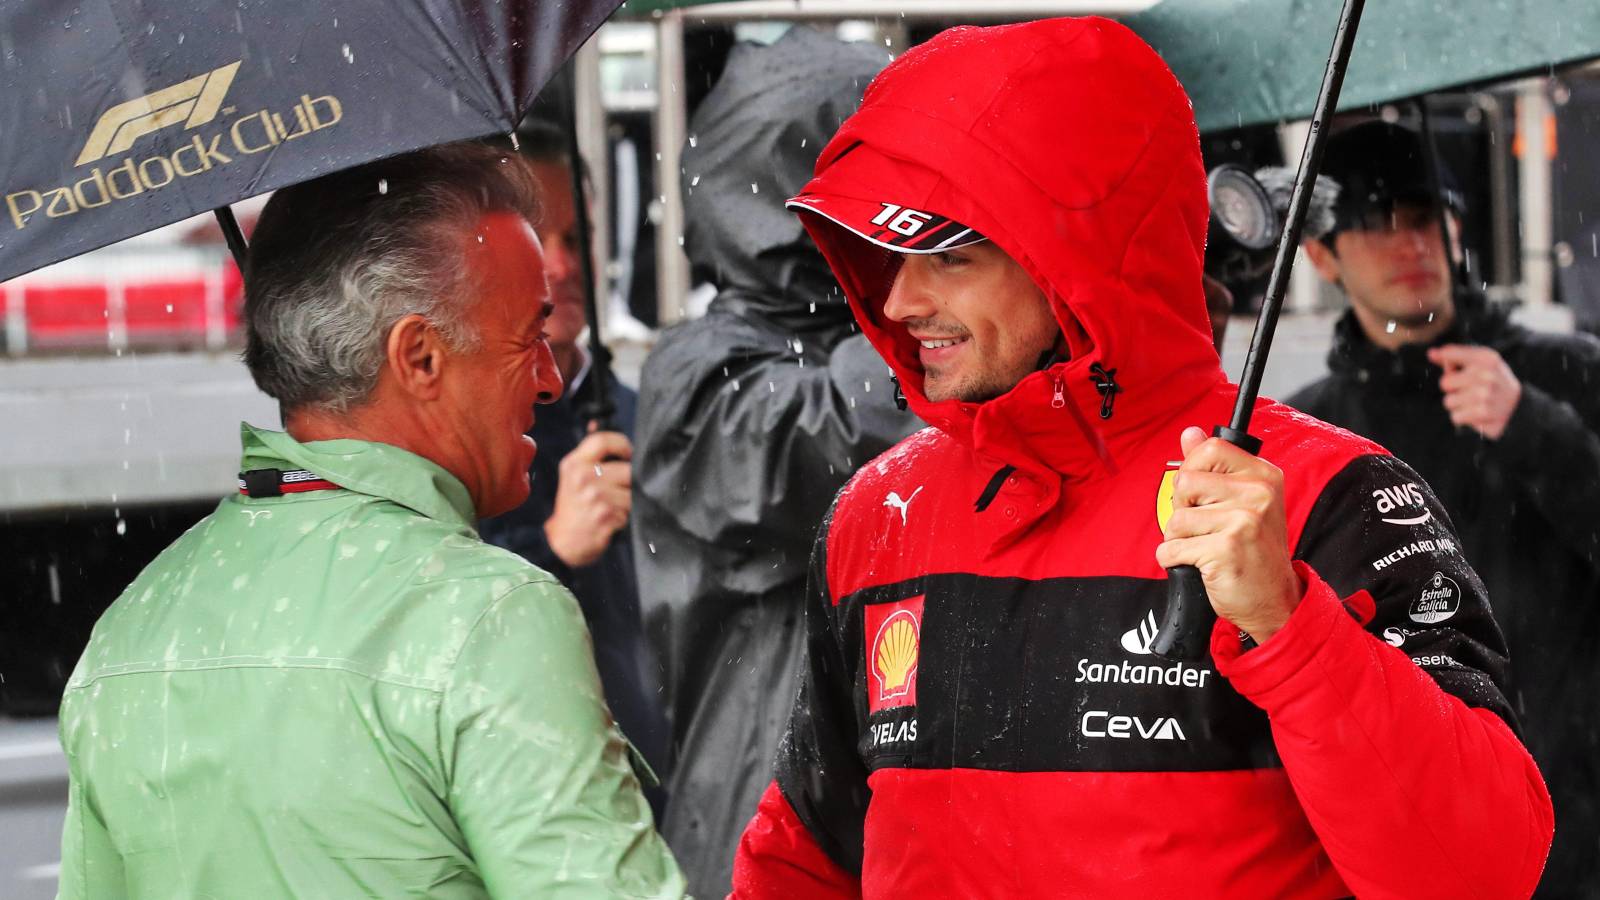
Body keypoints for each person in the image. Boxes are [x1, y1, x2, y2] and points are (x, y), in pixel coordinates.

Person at [732, 18, 1553, 898]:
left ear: (1073, 264)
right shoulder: (878, 515)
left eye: (952, 257)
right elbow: (802, 858)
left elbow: (1482, 870)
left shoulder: (1328, 497)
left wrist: (1289, 626)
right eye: (893, 255)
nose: (901, 300)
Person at [55, 143, 685, 898]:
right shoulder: (490, 616)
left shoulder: (129, 632)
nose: (550, 382)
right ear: (419, 357)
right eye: (530, 339)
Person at [630, 28, 913, 898]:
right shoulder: (698, 371)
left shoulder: (882, 341)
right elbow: (838, 444)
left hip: (883, 808)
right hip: (759, 816)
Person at [1289, 120, 1600, 898]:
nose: (1409, 244)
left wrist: (1533, 427)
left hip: (1578, 810)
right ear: (1322, 255)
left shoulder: (1566, 370)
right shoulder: (1312, 429)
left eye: (1425, 216)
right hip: (1409, 820)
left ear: (1455, 227)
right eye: (1373, 224)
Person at [478, 121, 672, 811]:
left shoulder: (638, 409)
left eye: (575, 239)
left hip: (657, 791)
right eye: (535, 239)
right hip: (535, 799)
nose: (560, 266)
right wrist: (553, 548)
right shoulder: (458, 434)